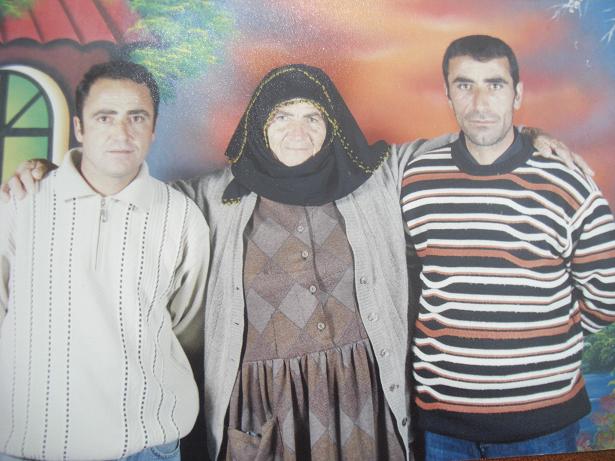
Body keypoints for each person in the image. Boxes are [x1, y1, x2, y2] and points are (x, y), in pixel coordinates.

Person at [1, 63, 579, 461]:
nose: (297, 131)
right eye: (281, 116)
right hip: (266, 409)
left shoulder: (372, 179)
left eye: (311, 116)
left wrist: (525, 133)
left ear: (332, 125)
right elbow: (123, 186)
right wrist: (55, 170)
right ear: (259, 125)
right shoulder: (213, 197)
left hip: (362, 402)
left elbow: (458, 148)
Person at [400, 34, 615, 460]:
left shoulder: (567, 181)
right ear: (447, 94)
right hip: (443, 425)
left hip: (543, 424)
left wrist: (552, 335)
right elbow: (411, 279)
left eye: (494, 85)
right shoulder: (416, 180)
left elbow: (607, 292)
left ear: (517, 94)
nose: (480, 103)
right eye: (464, 85)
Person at [0, 61, 210, 461]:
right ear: (79, 127)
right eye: (105, 117)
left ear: (153, 129)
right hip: (27, 445)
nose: (121, 133)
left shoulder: (182, 216)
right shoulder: (20, 202)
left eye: (137, 117)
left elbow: (186, 329)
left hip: (145, 448)